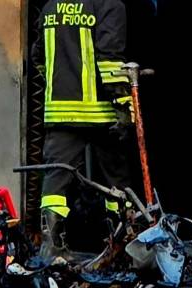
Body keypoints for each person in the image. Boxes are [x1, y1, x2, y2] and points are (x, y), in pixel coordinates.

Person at [32, 0, 134, 260]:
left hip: (60, 112)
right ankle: (122, 244)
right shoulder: (109, 5)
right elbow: (110, 59)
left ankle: (51, 247)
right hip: (101, 113)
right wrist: (123, 105)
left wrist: (60, 86)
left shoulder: (50, 7)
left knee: (55, 180)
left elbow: (38, 56)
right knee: (116, 181)